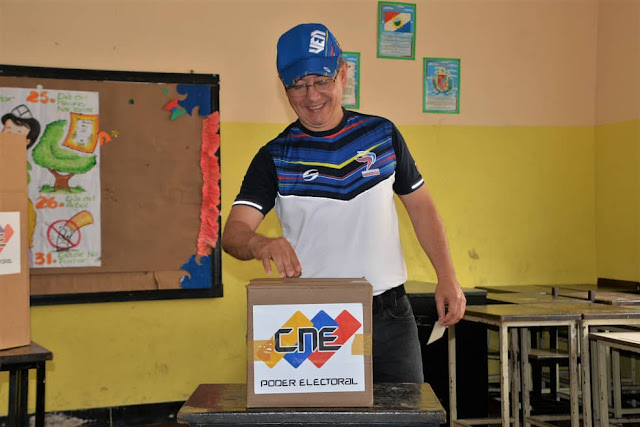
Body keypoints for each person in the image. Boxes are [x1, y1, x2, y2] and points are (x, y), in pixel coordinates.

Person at [222, 23, 466, 383]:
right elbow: (233, 233)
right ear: (284, 87)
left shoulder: (382, 135)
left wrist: (447, 276)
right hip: (313, 321)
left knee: (406, 409)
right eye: (298, 85)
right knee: (320, 413)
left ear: (343, 74)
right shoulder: (275, 156)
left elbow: (422, 208)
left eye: (322, 80)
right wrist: (260, 243)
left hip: (389, 317)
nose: (312, 96)